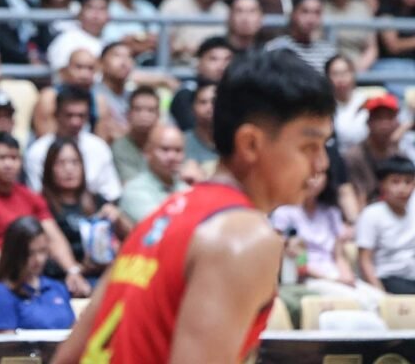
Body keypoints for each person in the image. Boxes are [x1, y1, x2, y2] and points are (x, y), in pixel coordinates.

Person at [54, 50, 336, 362]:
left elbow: (67, 357)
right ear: (250, 144)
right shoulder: (244, 238)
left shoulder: (162, 216)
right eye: (309, 146)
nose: (321, 163)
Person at [0, 134, 90, 296]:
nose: (9, 164)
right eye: (2, 158)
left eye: (14, 158)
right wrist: (25, 282)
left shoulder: (31, 197)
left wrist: (72, 271)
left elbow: (53, 237)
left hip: (37, 274)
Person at [272, 170, 384, 311]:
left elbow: (338, 256)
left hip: (335, 273)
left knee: (382, 301)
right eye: (309, 175)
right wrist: (332, 279)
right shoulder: (285, 213)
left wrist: (346, 275)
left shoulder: (331, 212)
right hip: (308, 278)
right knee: (360, 302)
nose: (313, 180)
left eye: (318, 175)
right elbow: (299, 262)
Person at [40, 139, 131, 281]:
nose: (69, 169)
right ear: (49, 168)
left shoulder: (97, 200)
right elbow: (43, 256)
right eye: (60, 163)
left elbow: (134, 237)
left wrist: (118, 218)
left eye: (75, 162)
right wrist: (79, 268)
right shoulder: (42, 205)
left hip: (106, 273)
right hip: (65, 277)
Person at [25, 87, 122, 202]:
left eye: (81, 116)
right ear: (56, 115)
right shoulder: (38, 151)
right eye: (69, 115)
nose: (75, 122)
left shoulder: (99, 147)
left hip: (95, 214)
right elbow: (36, 196)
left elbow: (111, 193)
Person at [0, 216, 76, 333]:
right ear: (15, 254)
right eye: (30, 253)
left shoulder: (57, 287)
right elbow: (6, 347)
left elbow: (75, 332)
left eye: (42, 251)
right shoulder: (2, 294)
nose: (39, 259)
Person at [356, 156, 415, 295]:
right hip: (389, 279)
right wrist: (381, 294)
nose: (402, 188)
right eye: (395, 182)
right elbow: (365, 260)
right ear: (382, 184)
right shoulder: (371, 214)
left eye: (408, 182)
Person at [119, 124, 191, 224]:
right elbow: (161, 227)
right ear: (148, 152)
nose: (172, 157)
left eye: (178, 150)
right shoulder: (134, 189)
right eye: (165, 149)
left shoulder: (187, 189)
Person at [344, 94, 405, 208]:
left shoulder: (401, 156)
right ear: (368, 122)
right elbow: (354, 198)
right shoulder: (354, 157)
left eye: (390, 118)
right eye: (379, 118)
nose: (385, 125)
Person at [169, 36, 233, 132]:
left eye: (227, 59)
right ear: (198, 63)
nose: (221, 66)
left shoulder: (240, 94)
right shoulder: (186, 94)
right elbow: (190, 128)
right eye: (213, 59)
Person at [265, 0, 337, 72]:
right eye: (305, 12)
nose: (311, 19)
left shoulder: (329, 52)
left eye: (317, 13)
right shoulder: (275, 48)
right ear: (293, 14)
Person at [111, 87, 161, 184]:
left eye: (150, 110)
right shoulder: (119, 147)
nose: (144, 115)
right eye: (138, 109)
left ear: (158, 115)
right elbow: (130, 184)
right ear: (128, 114)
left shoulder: (166, 145)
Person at [326, 55, 369, 150]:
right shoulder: (324, 107)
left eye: (345, 73)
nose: (340, 79)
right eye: (335, 74)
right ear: (327, 78)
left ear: (353, 75)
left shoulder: (367, 101)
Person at [182, 81, 220, 172]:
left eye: (214, 102)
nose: (209, 107)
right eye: (203, 102)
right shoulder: (182, 142)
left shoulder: (235, 141)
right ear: (192, 108)